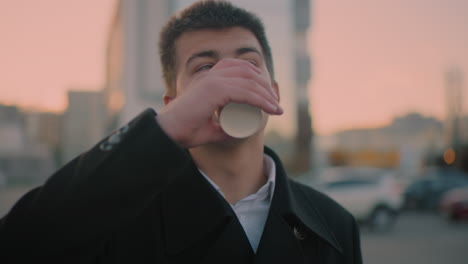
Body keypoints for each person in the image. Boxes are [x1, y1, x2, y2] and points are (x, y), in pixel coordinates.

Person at [0, 1, 362, 263]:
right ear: (174, 104)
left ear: (275, 92)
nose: (227, 79)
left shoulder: (333, 224)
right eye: (205, 68)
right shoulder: (120, 219)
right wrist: (165, 130)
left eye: (248, 64)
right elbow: (19, 243)